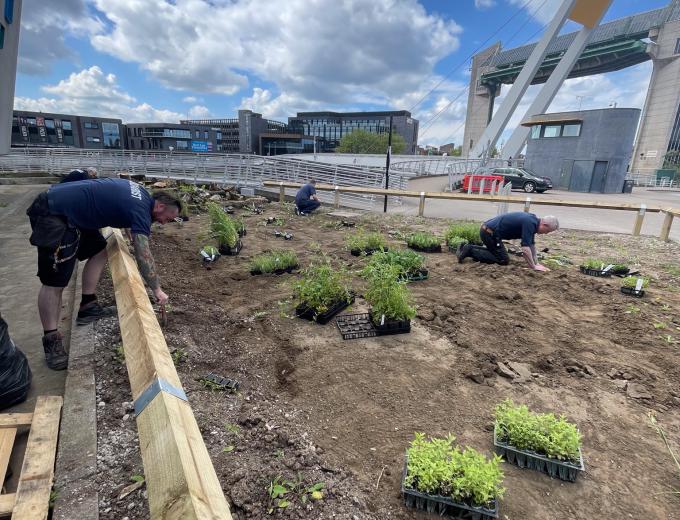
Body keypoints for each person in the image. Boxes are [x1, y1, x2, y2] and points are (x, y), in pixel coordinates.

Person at [26, 178, 181, 370]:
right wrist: (157, 289)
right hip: (54, 213)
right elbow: (144, 254)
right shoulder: (141, 210)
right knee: (55, 283)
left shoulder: (140, 194)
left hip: (71, 209)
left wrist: (130, 229)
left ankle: (88, 306)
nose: (165, 223)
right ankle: (51, 339)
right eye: (168, 217)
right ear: (160, 206)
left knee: (99, 250)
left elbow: (121, 208)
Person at [457, 212, 559, 271]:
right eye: (547, 231)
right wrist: (533, 267)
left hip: (491, 233)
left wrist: (537, 263)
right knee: (503, 260)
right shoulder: (530, 223)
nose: (546, 233)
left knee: (498, 254)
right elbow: (525, 249)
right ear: (544, 225)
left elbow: (531, 246)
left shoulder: (533, 221)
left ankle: (469, 248)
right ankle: (470, 249)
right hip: (489, 233)